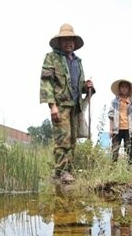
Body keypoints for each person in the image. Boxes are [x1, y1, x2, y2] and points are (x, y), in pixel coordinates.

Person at [39, 23, 95, 182]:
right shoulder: (52, 58)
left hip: (75, 107)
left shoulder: (78, 61)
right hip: (61, 105)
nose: (68, 42)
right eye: (65, 40)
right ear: (60, 42)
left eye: (71, 39)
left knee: (72, 140)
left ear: (74, 43)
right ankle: (62, 172)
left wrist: (86, 86)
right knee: (62, 139)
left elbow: (77, 85)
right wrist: (52, 106)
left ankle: (63, 173)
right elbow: (46, 82)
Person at [108, 79, 132, 165]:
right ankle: (113, 168)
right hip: (116, 129)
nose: (124, 89)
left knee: (129, 150)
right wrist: (110, 130)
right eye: (122, 87)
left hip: (128, 129)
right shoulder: (114, 102)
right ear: (119, 88)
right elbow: (111, 116)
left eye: (126, 87)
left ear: (129, 89)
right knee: (115, 149)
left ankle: (130, 168)